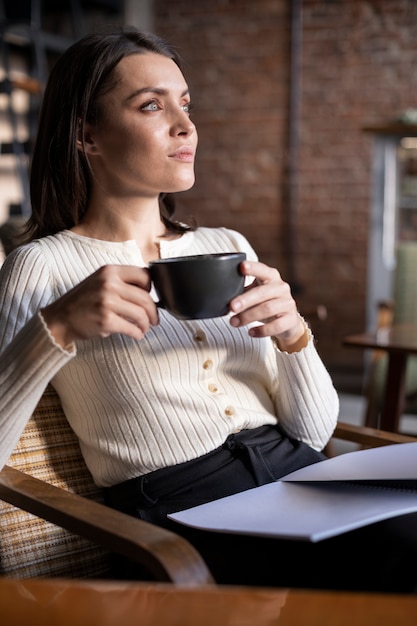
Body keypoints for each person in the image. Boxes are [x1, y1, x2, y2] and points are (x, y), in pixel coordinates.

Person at [0, 27, 416, 593]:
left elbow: (310, 431)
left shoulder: (227, 245)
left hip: (297, 475)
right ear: (86, 134)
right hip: (181, 513)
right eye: (152, 105)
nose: (186, 126)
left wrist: (294, 338)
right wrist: (56, 328)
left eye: (186, 104)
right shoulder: (41, 267)